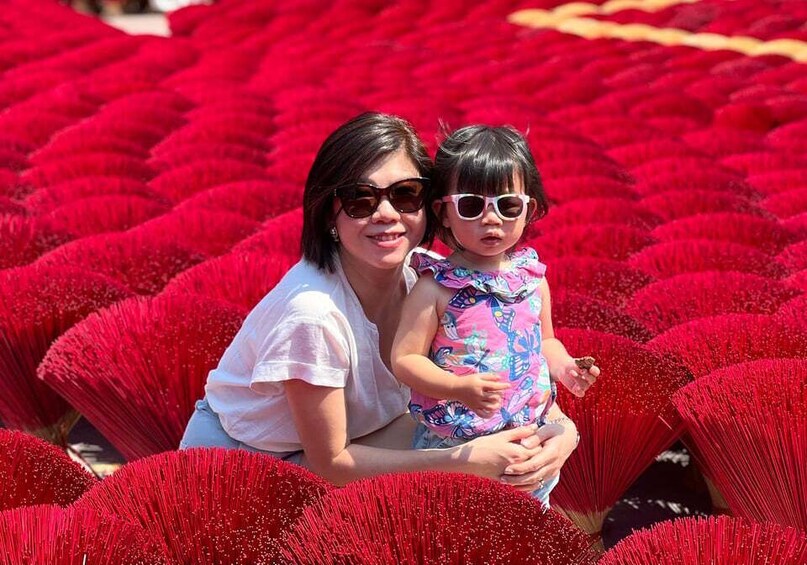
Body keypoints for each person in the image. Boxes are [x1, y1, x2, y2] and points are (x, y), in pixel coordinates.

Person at [181, 113, 579, 492]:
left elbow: (521, 366)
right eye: (360, 200)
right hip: (249, 467)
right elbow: (330, 462)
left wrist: (562, 435)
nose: (386, 214)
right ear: (327, 215)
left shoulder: (439, 282)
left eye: (406, 194)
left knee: (499, 450)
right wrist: (465, 460)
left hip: (362, 440)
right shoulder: (312, 317)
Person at [391, 125, 599, 506]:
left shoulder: (532, 281)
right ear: (444, 213)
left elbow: (545, 341)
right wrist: (458, 388)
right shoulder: (436, 287)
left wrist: (565, 368)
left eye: (508, 205)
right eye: (472, 205)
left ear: (529, 210)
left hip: (526, 441)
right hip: (456, 446)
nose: (492, 219)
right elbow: (405, 360)